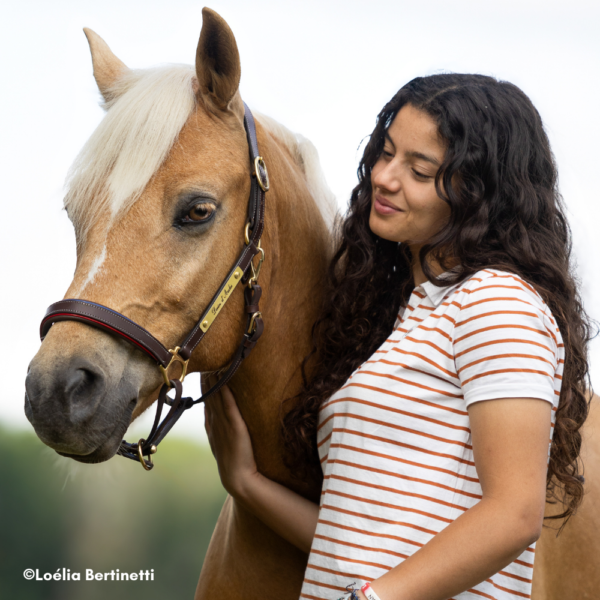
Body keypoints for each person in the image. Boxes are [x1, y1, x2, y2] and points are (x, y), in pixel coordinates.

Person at [204, 74, 592, 600]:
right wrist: (248, 485)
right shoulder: (405, 317)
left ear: (480, 193)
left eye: (420, 169)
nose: (385, 177)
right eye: (385, 153)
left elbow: (514, 514)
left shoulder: (498, 304)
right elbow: (362, 543)